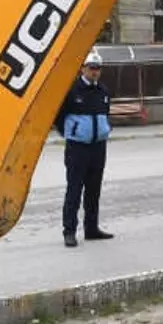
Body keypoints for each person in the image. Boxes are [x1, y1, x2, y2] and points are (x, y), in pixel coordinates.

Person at [53, 51, 114, 248]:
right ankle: (69, 231)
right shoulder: (71, 90)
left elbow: (106, 114)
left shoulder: (103, 90)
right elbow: (58, 116)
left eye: (98, 69)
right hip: (77, 148)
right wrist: (71, 132)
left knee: (94, 190)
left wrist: (105, 129)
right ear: (83, 68)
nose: (95, 72)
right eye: (91, 68)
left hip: (98, 147)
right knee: (74, 190)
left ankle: (92, 228)